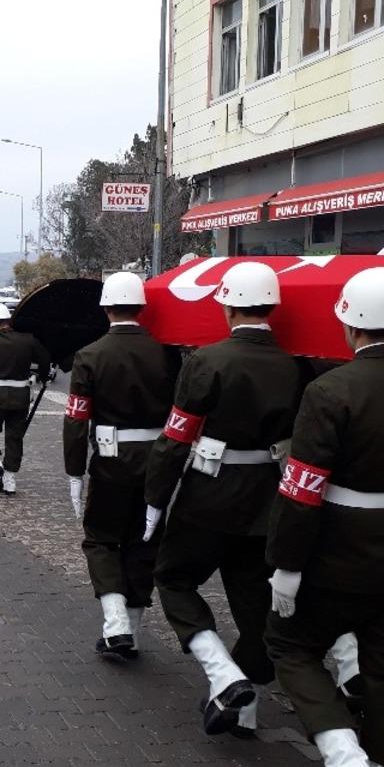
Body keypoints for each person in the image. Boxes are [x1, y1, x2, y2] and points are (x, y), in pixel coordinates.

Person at [265, 267, 384, 767]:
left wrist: (286, 566)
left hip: (340, 558)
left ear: (350, 323)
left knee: (289, 644)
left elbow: (302, 490)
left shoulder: (330, 390)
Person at [145, 261, 302, 737]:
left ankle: (222, 673)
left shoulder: (206, 362)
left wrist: (156, 498)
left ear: (229, 307)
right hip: (267, 501)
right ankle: (245, 711)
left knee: (173, 579)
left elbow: (176, 438)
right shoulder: (298, 364)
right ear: (271, 307)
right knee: (254, 608)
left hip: (207, 498)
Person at [62, 272, 179, 660]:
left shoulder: (90, 355)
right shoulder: (167, 352)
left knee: (100, 538)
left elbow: (78, 420)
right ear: (141, 306)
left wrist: (74, 470)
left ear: (106, 307)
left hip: (111, 462)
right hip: (158, 461)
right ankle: (133, 629)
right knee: (143, 542)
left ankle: (115, 625)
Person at [0, 302, 50, 495]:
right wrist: (42, 376)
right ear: (9, 320)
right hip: (21, 395)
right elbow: (44, 360)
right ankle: (10, 480)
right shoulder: (28, 340)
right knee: (14, 437)